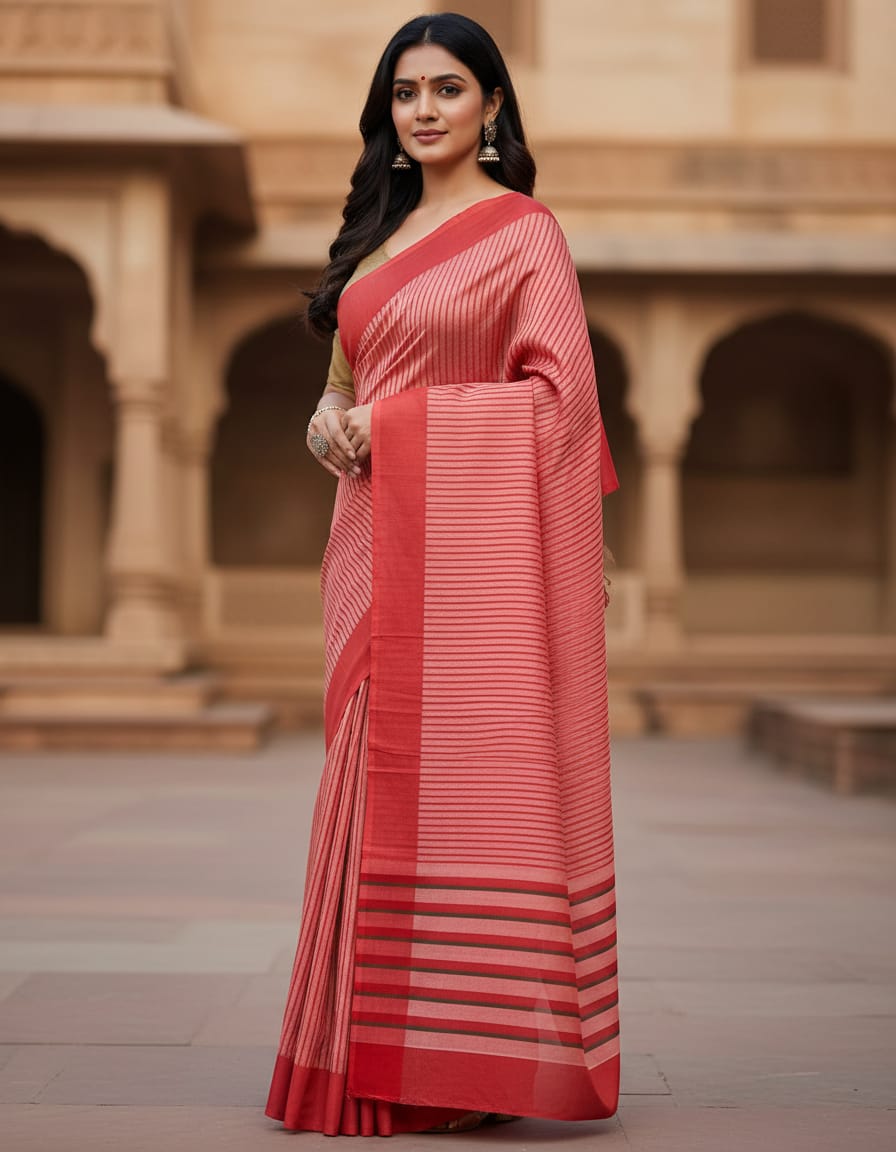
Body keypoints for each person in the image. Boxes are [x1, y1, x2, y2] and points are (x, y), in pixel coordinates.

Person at [266, 12, 620, 1136]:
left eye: (447, 89)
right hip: (372, 546)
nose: (423, 110)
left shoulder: (523, 234)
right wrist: (331, 417)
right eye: (405, 93)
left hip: (471, 570)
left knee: (462, 790)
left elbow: (561, 409)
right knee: (360, 786)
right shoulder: (376, 238)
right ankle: (351, 1058)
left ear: (490, 107)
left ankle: (453, 1068)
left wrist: (399, 423)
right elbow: (343, 380)